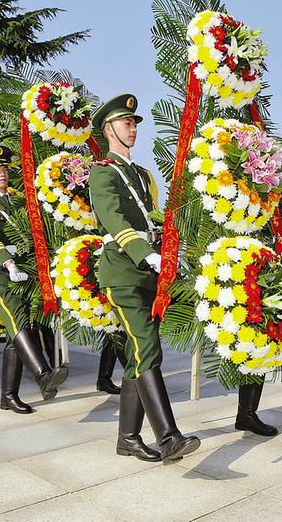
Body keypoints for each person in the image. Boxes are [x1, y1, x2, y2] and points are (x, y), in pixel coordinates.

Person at [89, 94, 199, 461]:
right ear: (108, 129)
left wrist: (170, 252)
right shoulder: (103, 172)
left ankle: (128, 439)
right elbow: (113, 218)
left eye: (134, 123)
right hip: (121, 271)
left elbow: (153, 218)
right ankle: (169, 436)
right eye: (125, 123)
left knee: (141, 355)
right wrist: (144, 252)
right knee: (146, 349)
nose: (132, 128)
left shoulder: (142, 175)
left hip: (149, 272)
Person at [0, 145, 69, 414]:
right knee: (18, 324)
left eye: (4, 169)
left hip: (24, 271)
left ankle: (8, 396)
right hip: (0, 274)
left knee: (17, 334)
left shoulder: (18, 200)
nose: (2, 174)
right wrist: (8, 262)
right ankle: (42, 374)